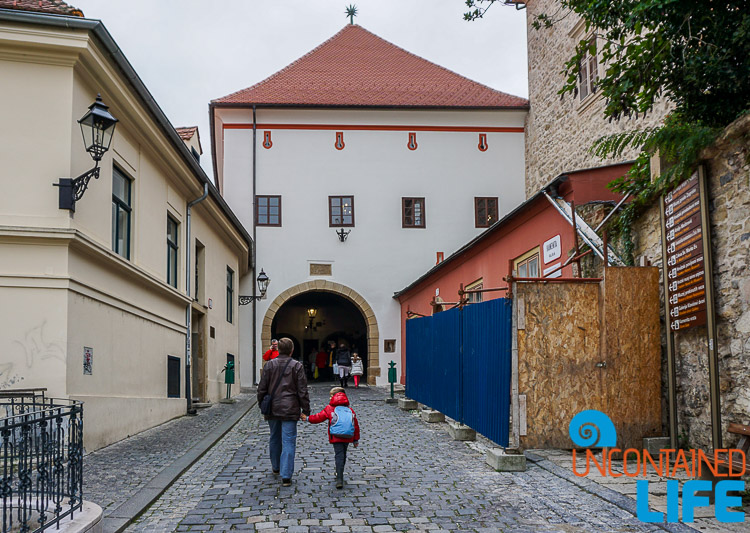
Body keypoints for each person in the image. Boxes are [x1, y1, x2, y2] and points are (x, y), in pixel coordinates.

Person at [257, 338, 310, 486]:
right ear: (292, 350)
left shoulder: (269, 365)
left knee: (274, 437)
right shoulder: (296, 366)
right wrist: (306, 409)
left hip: (273, 407)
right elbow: (302, 390)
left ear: (278, 349)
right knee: (289, 441)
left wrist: (262, 403)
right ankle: (286, 475)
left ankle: (276, 467)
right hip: (290, 408)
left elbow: (262, 388)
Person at [308, 387, 360, 489]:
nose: (330, 397)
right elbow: (356, 425)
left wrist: (308, 418)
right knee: (343, 454)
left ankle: (339, 477)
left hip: (336, 436)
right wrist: (355, 439)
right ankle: (340, 474)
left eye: (331, 395)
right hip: (348, 436)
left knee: (339, 455)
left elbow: (319, 417)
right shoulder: (349, 410)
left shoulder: (329, 408)